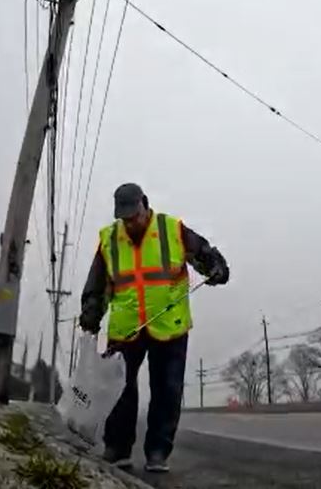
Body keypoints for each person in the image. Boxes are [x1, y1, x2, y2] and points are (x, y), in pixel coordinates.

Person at [80, 182, 229, 473]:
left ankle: (158, 451)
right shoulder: (110, 239)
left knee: (167, 390)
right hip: (126, 328)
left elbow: (205, 254)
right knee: (119, 389)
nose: (130, 223)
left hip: (169, 324)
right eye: (124, 218)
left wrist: (216, 268)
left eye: (134, 215)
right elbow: (97, 284)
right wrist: (91, 314)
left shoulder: (172, 229)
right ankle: (117, 448)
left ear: (145, 204)